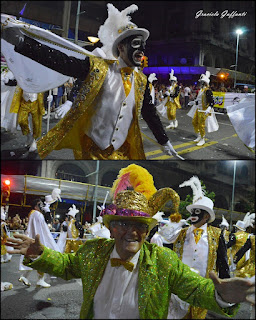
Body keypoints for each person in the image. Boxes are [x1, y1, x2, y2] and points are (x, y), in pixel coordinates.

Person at [6, 164, 255, 319]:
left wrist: (223, 296)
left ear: (147, 231)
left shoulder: (164, 261)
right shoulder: (93, 251)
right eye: (124, 224)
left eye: (139, 226)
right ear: (112, 228)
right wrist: (39, 254)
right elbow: (66, 266)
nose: (131, 232)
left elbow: (196, 290)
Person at [1, 5, 178, 160]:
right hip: (93, 149)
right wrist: (22, 43)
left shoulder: (142, 81)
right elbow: (61, 61)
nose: (141, 50)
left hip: (124, 150)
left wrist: (164, 140)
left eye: (143, 46)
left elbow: (149, 112)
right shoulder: (98, 68)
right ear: (121, 48)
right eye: (136, 43)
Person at [163, 176, 232, 319]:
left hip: (202, 288)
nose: (193, 215)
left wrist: (225, 286)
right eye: (192, 212)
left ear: (206, 216)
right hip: (180, 287)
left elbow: (222, 261)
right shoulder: (182, 233)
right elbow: (165, 242)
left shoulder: (216, 235)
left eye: (198, 212)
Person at [18, 190, 61, 288]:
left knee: (32, 259)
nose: (42, 206)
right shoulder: (36, 214)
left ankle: (24, 277)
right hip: (37, 241)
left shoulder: (34, 214)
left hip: (33, 241)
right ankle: (40, 280)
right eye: (40, 204)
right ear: (36, 206)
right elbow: (42, 228)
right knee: (41, 259)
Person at [9, 86, 45, 152]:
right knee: (21, 120)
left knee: (36, 123)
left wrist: (50, 96)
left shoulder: (39, 76)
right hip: (24, 102)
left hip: (36, 102)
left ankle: (35, 140)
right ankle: (28, 135)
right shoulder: (22, 76)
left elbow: (46, 85)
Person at [187, 71, 219, 146]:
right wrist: (193, 102)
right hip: (198, 109)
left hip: (204, 110)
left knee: (201, 125)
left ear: (205, 83)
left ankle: (202, 139)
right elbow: (199, 100)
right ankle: (198, 136)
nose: (200, 83)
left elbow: (212, 102)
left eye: (202, 82)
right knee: (194, 122)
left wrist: (208, 109)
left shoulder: (208, 91)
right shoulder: (201, 90)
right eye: (200, 82)